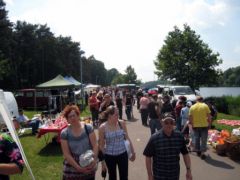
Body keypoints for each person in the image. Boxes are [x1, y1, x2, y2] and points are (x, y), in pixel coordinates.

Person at [143, 114, 192, 180]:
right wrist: (150, 175)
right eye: (166, 122)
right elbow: (148, 156)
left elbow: (185, 154)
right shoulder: (155, 138)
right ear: (162, 123)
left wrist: (188, 170)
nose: (169, 125)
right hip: (159, 175)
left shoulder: (179, 136)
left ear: (174, 123)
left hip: (174, 175)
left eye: (171, 123)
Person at [60, 105, 98, 180]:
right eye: (69, 117)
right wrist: (78, 168)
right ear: (67, 119)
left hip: (88, 163)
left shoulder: (88, 128)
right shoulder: (64, 133)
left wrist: (94, 160)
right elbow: (66, 154)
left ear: (78, 115)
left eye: (74, 115)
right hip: (72, 168)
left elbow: (95, 145)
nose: (72, 118)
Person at [98, 105, 136, 180]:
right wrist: (103, 163)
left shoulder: (121, 123)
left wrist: (133, 151)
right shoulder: (102, 127)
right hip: (109, 156)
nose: (118, 116)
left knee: (124, 177)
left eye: (118, 114)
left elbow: (127, 138)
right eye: (116, 114)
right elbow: (101, 146)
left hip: (123, 154)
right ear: (109, 116)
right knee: (112, 177)